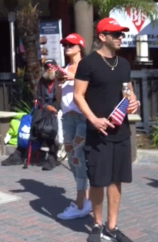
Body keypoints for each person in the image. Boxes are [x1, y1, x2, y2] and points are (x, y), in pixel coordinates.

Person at [73, 18, 139, 242]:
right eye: (116, 34)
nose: (121, 37)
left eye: (121, 34)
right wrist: (93, 119)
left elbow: (128, 92)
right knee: (98, 181)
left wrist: (134, 102)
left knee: (116, 180)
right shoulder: (88, 63)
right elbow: (78, 96)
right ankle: (97, 226)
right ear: (102, 37)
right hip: (98, 133)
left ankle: (112, 227)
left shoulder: (124, 64)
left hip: (121, 133)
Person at [56, 33, 92, 220]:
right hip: (67, 117)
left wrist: (70, 76)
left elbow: (91, 89)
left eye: (71, 44)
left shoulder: (86, 66)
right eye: (65, 44)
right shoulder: (66, 68)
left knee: (78, 156)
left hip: (82, 117)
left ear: (80, 46)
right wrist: (59, 84)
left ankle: (80, 203)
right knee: (71, 158)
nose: (67, 47)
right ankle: (86, 199)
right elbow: (58, 98)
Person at [36, 59, 60, 170]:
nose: (49, 69)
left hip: (58, 109)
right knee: (33, 123)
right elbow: (38, 98)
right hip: (45, 109)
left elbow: (61, 98)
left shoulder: (59, 80)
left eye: (51, 67)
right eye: (47, 67)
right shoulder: (41, 82)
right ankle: (20, 153)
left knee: (51, 126)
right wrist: (46, 107)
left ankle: (52, 156)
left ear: (56, 68)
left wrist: (53, 108)